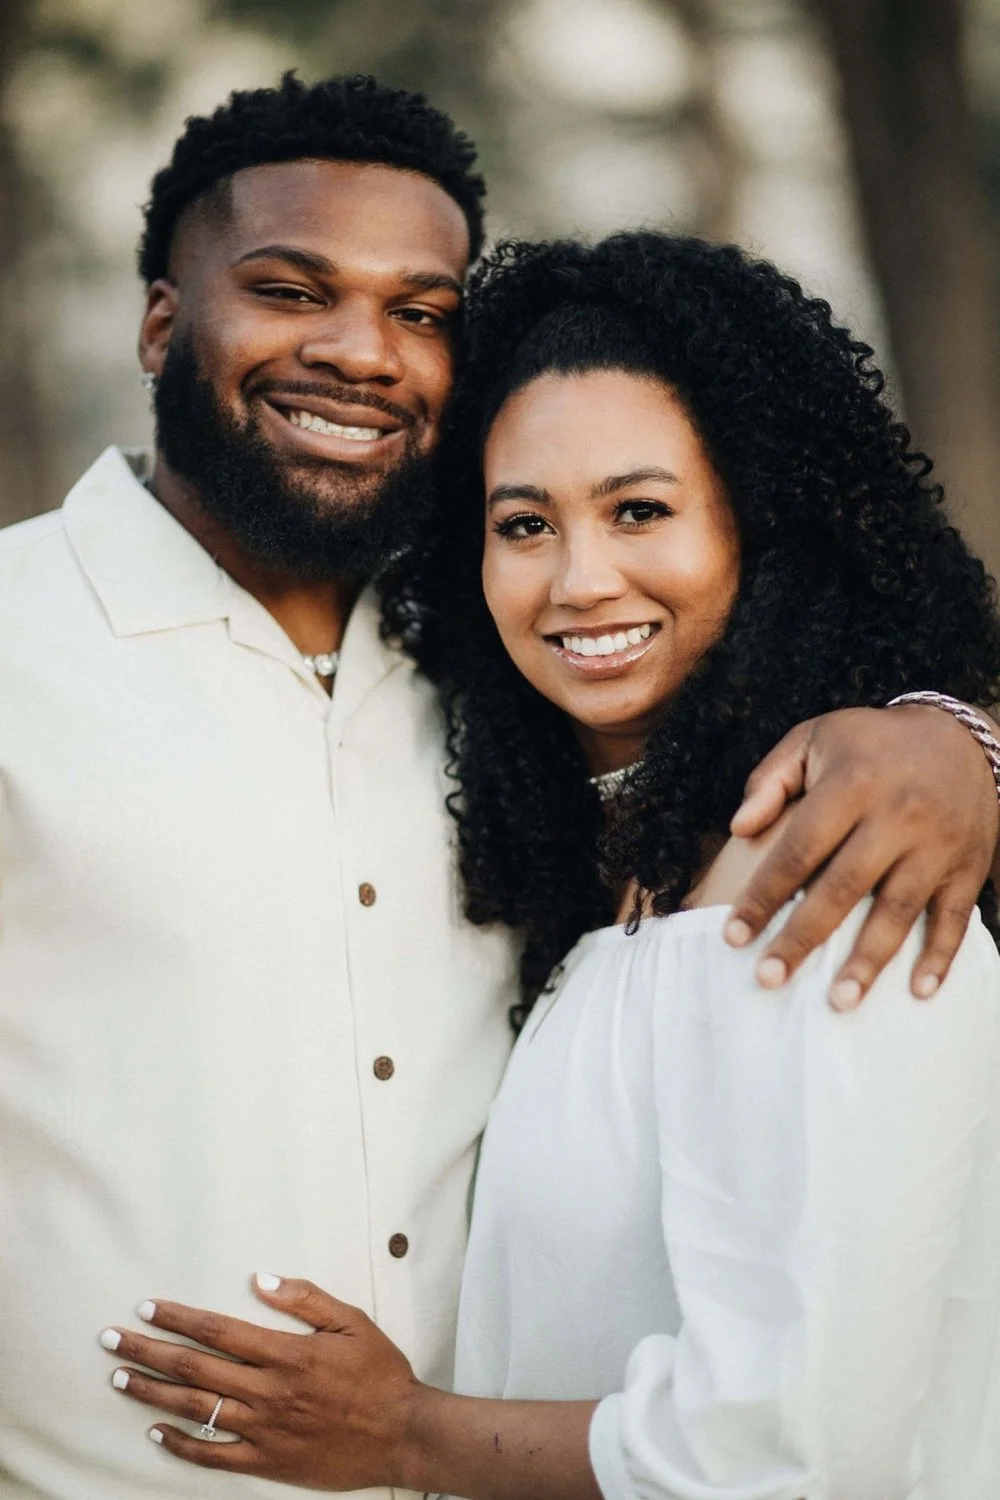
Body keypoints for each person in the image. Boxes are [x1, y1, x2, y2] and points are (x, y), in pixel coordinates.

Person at [1, 73, 996, 1500]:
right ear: (163, 318)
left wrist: (961, 737)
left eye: (421, 312)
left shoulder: (496, 692)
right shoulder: (21, 648)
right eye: (291, 289)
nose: (362, 352)